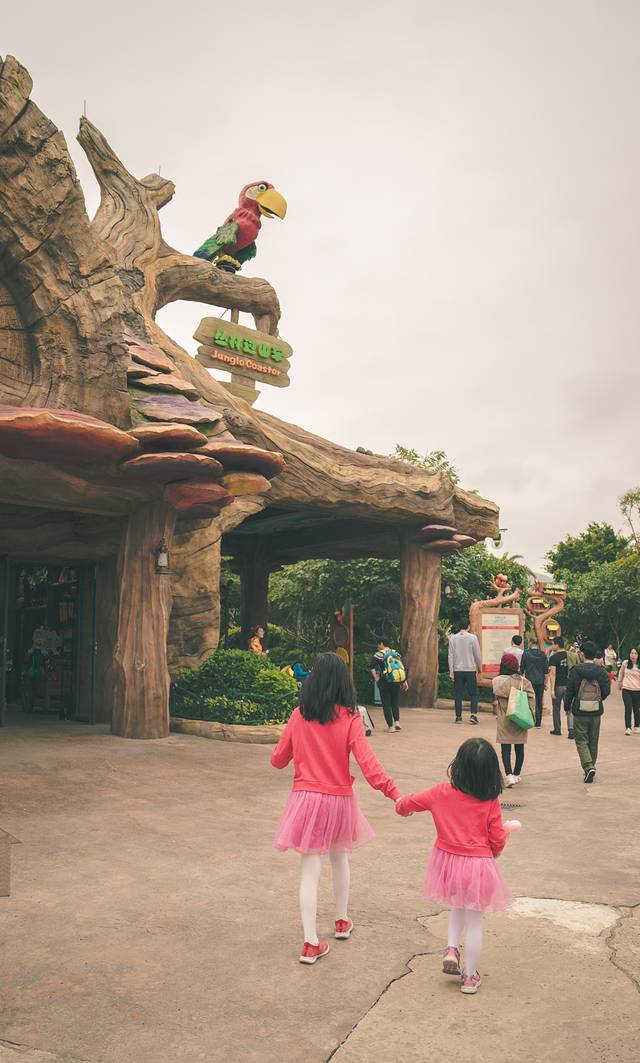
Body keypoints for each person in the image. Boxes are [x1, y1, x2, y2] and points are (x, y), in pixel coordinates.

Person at [271, 652, 401, 964]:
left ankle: (310, 942)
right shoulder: (350, 718)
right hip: (340, 800)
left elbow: (277, 760)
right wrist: (393, 793)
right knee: (340, 857)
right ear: (343, 683)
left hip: (306, 799)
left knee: (309, 869)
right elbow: (368, 764)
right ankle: (341, 921)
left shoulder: (297, 715)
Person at [395, 738, 515, 995]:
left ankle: (451, 948)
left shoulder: (441, 792)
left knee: (457, 905)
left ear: (458, 765)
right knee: (474, 921)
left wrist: (401, 805)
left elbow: (411, 802)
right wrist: (501, 842)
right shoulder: (490, 800)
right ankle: (470, 977)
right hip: (478, 865)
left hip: (448, 863)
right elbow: (496, 839)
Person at [564, 640, 611, 783]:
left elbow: (570, 691)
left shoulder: (575, 670)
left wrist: (567, 706)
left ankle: (588, 766)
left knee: (581, 741)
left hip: (579, 711)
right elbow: (606, 691)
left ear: (582, 654)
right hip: (596, 711)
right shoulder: (601, 671)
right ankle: (591, 768)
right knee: (593, 741)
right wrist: (597, 700)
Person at [492, 653, 535, 787]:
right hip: (520, 718)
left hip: (505, 719)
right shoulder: (524, 681)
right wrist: (531, 714)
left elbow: (497, 695)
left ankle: (509, 775)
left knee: (505, 748)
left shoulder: (497, 681)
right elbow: (532, 699)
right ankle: (517, 774)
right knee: (519, 747)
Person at [370, 638, 408, 733]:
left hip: (385, 681)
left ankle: (390, 726)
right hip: (397, 680)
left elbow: (372, 668)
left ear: (381, 643)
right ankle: (397, 723)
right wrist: (404, 681)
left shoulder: (378, 655)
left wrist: (377, 680)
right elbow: (400, 667)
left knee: (386, 704)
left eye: (378, 644)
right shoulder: (395, 653)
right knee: (395, 702)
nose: (378, 646)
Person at [448, 621, 482, 725]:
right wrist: (479, 667)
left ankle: (458, 717)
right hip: (470, 669)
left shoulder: (453, 638)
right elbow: (477, 653)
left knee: (458, 694)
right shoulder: (472, 638)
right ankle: (473, 715)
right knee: (473, 693)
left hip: (458, 670)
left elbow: (450, 655)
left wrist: (451, 671)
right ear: (468, 626)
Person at [520, 636, 549, 727]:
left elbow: (522, 668)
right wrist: (545, 683)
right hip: (540, 681)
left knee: (529, 700)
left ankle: (530, 719)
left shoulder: (526, 654)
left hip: (529, 681)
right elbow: (545, 671)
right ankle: (538, 722)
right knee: (539, 701)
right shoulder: (543, 654)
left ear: (530, 643)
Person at [548, 637, 571, 737]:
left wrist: (552, 690)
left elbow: (553, 675)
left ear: (557, 645)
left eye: (552, 644)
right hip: (569, 686)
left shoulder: (553, 658)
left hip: (558, 686)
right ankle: (571, 730)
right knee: (569, 708)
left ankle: (557, 729)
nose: (551, 646)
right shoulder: (570, 656)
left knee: (556, 708)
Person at [618, 648, 640, 735]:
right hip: (626, 689)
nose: (633, 655)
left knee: (636, 709)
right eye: (632, 653)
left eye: (635, 653)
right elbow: (621, 673)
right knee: (628, 708)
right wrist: (619, 682)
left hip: (637, 690)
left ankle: (637, 726)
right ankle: (628, 727)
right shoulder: (625, 663)